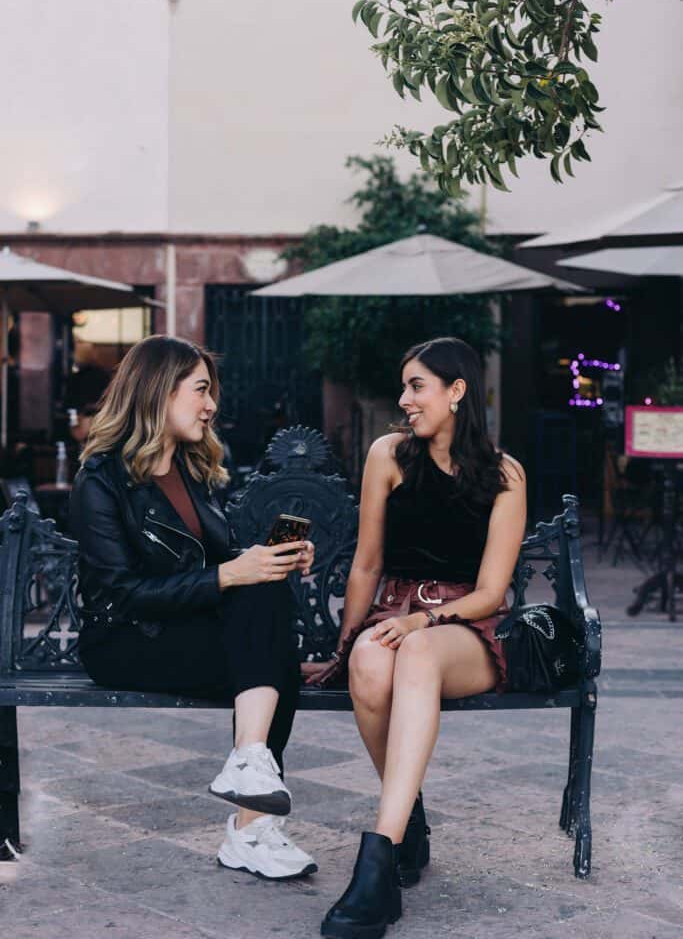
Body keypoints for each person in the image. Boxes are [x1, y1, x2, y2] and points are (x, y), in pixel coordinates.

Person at [69, 335, 317, 880]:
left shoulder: (194, 472)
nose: (211, 405)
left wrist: (273, 560)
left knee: (266, 614)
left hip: (184, 629)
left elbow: (224, 564)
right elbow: (117, 594)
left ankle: (251, 778)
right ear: (158, 391)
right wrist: (232, 573)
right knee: (272, 661)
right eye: (201, 390)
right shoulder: (101, 480)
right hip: (126, 640)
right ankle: (250, 828)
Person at [303, 337, 526, 939]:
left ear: (457, 392)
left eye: (416, 386)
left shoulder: (504, 474)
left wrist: (422, 621)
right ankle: (408, 823)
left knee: (414, 649)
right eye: (404, 387)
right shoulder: (388, 456)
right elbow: (367, 564)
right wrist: (346, 646)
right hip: (394, 612)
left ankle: (378, 858)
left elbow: (490, 591)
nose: (404, 400)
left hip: (466, 630)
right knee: (371, 665)